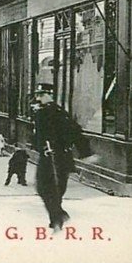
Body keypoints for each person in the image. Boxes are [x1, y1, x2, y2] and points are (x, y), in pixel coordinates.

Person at [32, 83, 88, 232]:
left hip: (56, 157)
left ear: (49, 95)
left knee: (48, 189)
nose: (38, 98)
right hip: (51, 156)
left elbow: (74, 131)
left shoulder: (53, 112)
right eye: (37, 95)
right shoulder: (45, 112)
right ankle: (58, 218)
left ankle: (57, 219)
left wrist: (85, 153)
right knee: (50, 189)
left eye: (41, 95)